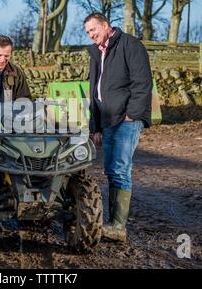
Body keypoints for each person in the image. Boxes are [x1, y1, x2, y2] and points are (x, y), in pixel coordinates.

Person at [83, 12, 152, 242]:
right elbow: (94, 93)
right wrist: (96, 127)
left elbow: (142, 82)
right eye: (87, 32)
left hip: (126, 120)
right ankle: (113, 224)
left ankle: (119, 226)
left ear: (105, 25)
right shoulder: (96, 53)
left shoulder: (130, 45)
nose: (91, 35)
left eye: (93, 30)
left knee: (120, 169)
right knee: (111, 171)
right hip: (107, 121)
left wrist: (133, 114)